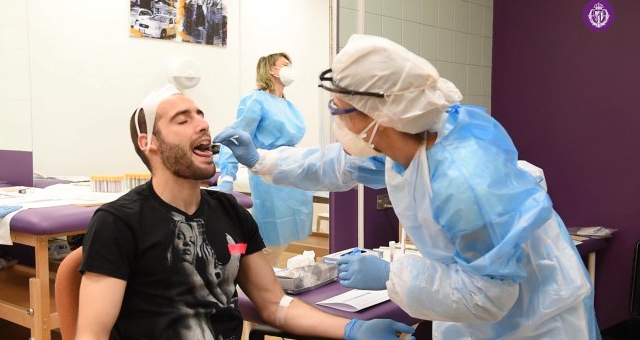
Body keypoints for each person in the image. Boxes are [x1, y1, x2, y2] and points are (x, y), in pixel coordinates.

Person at [214, 34, 601, 339]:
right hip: (474, 307)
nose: (336, 120)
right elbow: (335, 164)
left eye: (339, 110)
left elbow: (489, 297)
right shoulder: (407, 141)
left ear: (379, 115)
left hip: (535, 320)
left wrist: (390, 274)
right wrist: (262, 160)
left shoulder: (460, 181)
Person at [75, 83, 416, 340]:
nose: (202, 125)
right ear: (147, 143)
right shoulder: (119, 222)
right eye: (183, 119)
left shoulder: (229, 211)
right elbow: (92, 335)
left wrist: (353, 329)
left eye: (201, 115)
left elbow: (273, 304)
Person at [216, 52, 313, 265]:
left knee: (286, 236)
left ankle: (267, 282)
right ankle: (248, 280)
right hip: (268, 171)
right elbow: (237, 136)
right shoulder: (256, 100)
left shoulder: (288, 105)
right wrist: (226, 177)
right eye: (285, 64)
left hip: (293, 171)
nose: (290, 68)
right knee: (270, 239)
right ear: (271, 70)